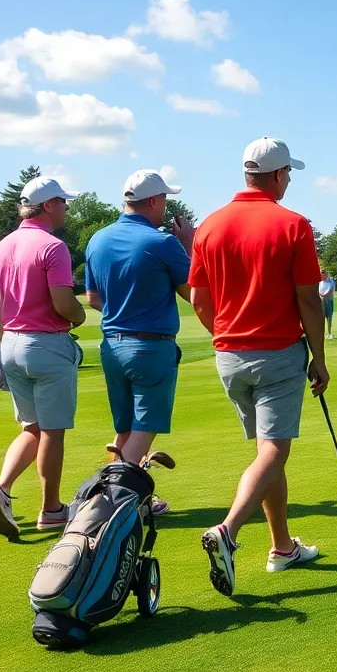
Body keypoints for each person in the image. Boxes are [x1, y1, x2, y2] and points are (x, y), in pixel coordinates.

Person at [190, 137, 328, 597]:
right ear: (277, 174)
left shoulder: (209, 226)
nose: (289, 181)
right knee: (273, 453)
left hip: (229, 356)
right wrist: (319, 358)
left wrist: (225, 335)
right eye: (288, 174)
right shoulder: (294, 224)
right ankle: (228, 531)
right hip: (278, 353)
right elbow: (309, 299)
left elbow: (199, 299)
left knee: (268, 452)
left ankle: (282, 547)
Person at [0, 177, 87, 541]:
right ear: (47, 206)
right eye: (62, 202)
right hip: (46, 344)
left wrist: (5, 344)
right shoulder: (53, 246)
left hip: (10, 342)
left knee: (31, 428)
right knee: (52, 432)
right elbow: (63, 302)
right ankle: (51, 509)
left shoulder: (1, 247)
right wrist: (79, 317)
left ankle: (1, 487)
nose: (66, 207)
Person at [85, 169, 194, 512]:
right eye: (165, 200)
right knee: (145, 428)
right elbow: (192, 292)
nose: (166, 206)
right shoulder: (163, 243)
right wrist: (189, 245)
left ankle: (131, 498)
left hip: (112, 345)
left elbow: (93, 298)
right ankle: (110, 502)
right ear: (153, 201)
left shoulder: (97, 239)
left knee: (126, 430)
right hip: (150, 346)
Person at [318, 269, 336, 339]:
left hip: (328, 301)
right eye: (321, 274)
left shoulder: (330, 280)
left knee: (329, 317)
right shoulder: (319, 281)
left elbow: (330, 290)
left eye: (323, 274)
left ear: (326, 274)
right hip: (321, 301)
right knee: (321, 318)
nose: (322, 276)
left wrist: (323, 295)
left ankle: (330, 333)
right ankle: (322, 334)